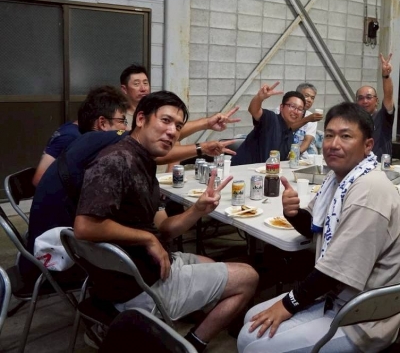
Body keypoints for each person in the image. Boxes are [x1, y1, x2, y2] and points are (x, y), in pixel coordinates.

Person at [74, 91, 258, 352]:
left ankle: (188, 319)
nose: (172, 131)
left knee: (212, 263)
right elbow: (85, 226)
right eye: (165, 121)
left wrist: (197, 210)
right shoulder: (116, 161)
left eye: (178, 126)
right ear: (140, 119)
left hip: (148, 269)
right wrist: (148, 238)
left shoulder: (143, 161)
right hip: (140, 288)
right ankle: (190, 345)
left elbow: (164, 228)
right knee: (248, 277)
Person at [237, 102, 400, 352]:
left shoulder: (369, 189)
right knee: (250, 322)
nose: (333, 144)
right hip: (337, 295)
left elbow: (335, 270)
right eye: (329, 135)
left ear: (368, 145)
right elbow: (314, 227)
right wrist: (293, 214)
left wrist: (287, 305)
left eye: (346, 136)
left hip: (363, 318)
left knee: (253, 344)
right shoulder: (338, 179)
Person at [31, 86, 128, 186]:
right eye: (122, 121)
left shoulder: (82, 134)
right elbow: (39, 179)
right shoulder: (71, 137)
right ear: (102, 123)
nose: (125, 127)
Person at [232, 83, 305, 166]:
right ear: (281, 107)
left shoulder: (290, 135)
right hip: (240, 170)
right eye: (292, 106)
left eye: (300, 109)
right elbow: (253, 110)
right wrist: (259, 98)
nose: (296, 111)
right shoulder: (271, 119)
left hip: (265, 172)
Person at [355, 52, 395, 158]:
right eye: (360, 98)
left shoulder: (383, 117)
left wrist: (386, 76)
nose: (365, 101)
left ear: (376, 101)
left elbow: (388, 96)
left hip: (379, 165)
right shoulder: (353, 120)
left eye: (369, 97)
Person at [275, 83, 323, 156]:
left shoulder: (311, 117)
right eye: (306, 96)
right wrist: (307, 119)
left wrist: (294, 155)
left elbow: (307, 141)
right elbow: (284, 130)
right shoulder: (283, 110)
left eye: (312, 98)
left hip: (299, 155)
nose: (309, 100)